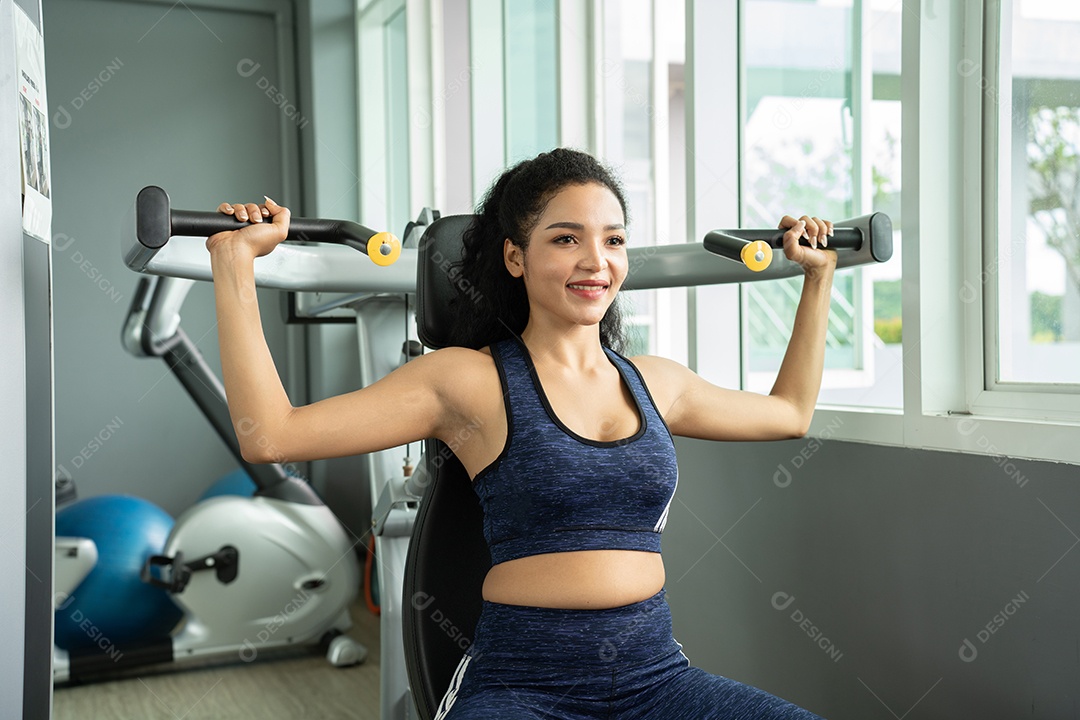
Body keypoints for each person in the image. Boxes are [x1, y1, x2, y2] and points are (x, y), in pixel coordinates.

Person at [207, 148, 835, 719]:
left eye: (612, 240)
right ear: (516, 256)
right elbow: (272, 436)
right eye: (567, 239)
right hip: (524, 688)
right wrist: (234, 266)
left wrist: (818, 277)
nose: (597, 262)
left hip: (655, 679)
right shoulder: (469, 380)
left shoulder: (656, 382)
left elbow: (789, 413)